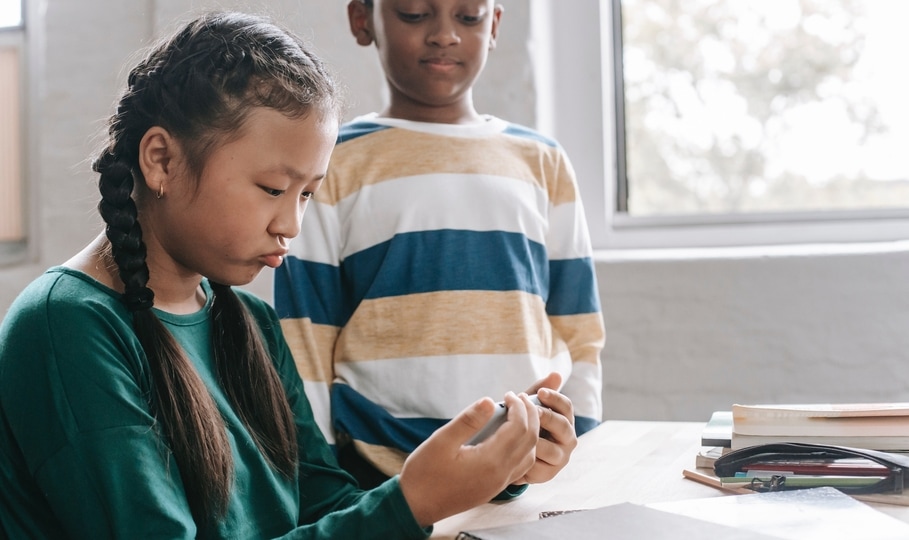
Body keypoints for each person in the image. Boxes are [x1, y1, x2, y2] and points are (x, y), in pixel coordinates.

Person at [0, 12, 565, 539]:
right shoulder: (66, 326)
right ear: (161, 161)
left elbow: (327, 508)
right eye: (272, 189)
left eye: (308, 194)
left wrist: (490, 464)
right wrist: (414, 501)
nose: (290, 223)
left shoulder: (250, 323)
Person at [274, 0, 604, 492]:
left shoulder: (543, 161)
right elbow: (305, 332)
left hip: (528, 468)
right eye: (413, 13)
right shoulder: (332, 161)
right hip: (378, 472)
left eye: (468, 17)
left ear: (493, 25)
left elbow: (578, 330)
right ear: (363, 20)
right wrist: (320, 476)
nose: (444, 35)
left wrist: (583, 448)